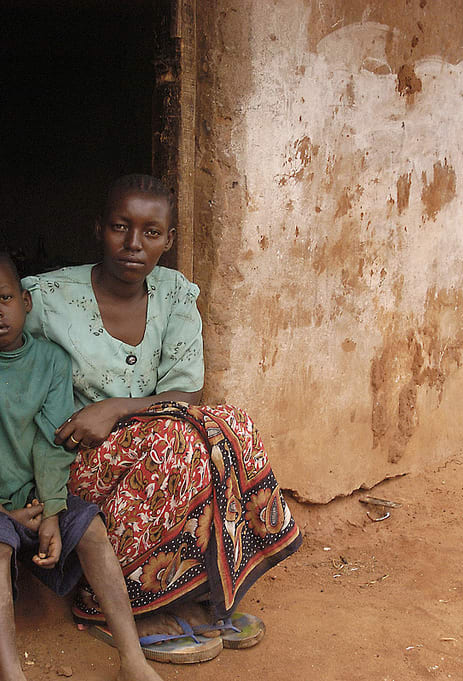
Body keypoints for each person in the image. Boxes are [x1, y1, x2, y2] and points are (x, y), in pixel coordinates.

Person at [22, 174, 302, 663]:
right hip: (69, 460)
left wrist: (114, 408)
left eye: (151, 232)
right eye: (120, 227)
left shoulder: (174, 294)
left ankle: (190, 590)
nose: (134, 243)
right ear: (98, 228)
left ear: (168, 240)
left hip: (153, 446)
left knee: (227, 423)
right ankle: (119, 601)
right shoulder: (45, 299)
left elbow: (186, 393)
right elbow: (3, 371)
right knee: (176, 438)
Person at [0, 248, 165, 681]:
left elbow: (53, 440)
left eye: (4, 298)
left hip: (38, 493)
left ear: (25, 301)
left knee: (93, 530)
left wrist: (51, 510)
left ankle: (133, 660)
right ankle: (11, 675)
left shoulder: (51, 361)